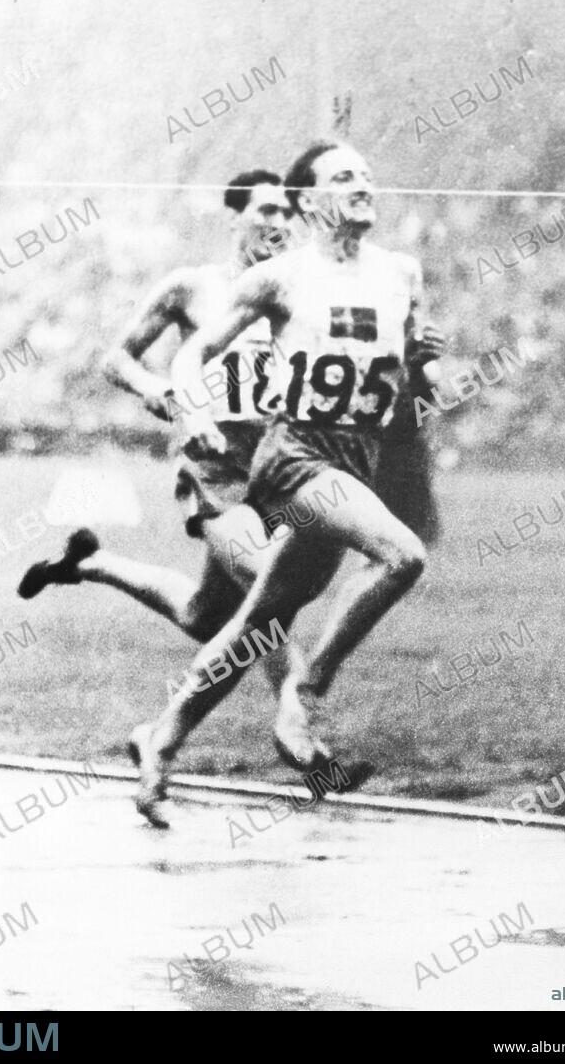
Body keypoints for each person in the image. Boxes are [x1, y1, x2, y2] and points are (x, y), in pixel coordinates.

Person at [131, 141, 447, 827]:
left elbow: (411, 384)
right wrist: (197, 411)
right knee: (403, 554)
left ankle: (162, 743)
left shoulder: (402, 274)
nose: (363, 185)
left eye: (366, 173)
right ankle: (307, 690)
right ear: (308, 201)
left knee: (254, 625)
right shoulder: (279, 277)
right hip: (297, 456)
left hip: (354, 454)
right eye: (343, 177)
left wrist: (422, 368)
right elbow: (195, 352)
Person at [17, 170, 344, 817]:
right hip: (215, 466)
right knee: (267, 588)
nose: (280, 224)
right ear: (234, 218)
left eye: (288, 214)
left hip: (277, 462)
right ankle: (296, 734)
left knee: (204, 614)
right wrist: (158, 391)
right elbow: (116, 357)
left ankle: (90, 564)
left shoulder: (294, 289)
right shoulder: (193, 288)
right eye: (267, 211)